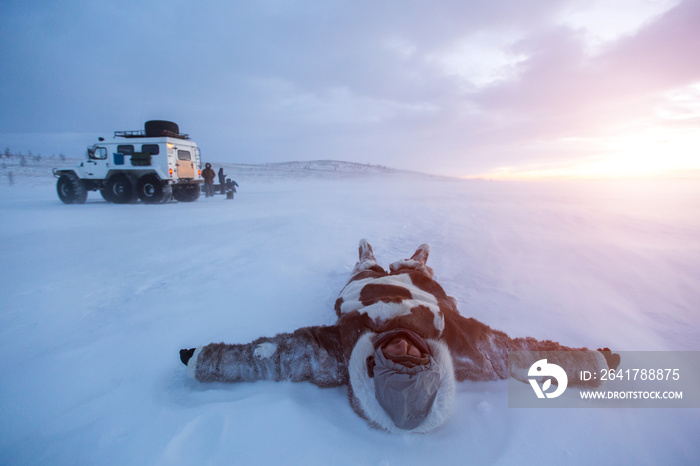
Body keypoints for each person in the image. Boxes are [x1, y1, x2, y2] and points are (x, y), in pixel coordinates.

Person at [180, 240, 620, 433]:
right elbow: (523, 358)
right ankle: (417, 260)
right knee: (419, 273)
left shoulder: (341, 355)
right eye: (416, 358)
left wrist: (205, 360)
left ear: (374, 368)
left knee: (366, 271)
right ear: (432, 366)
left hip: (363, 293)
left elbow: (272, 359)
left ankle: (367, 258)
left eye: (394, 359)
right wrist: (594, 364)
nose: (404, 346)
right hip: (423, 293)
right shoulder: (464, 350)